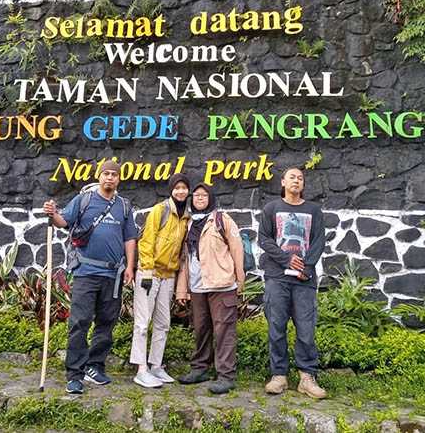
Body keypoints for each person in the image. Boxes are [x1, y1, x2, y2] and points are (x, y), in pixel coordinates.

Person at [43, 160, 137, 395]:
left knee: (106, 323)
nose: (110, 178)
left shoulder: (124, 206)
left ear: (118, 179)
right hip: (85, 273)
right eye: (106, 174)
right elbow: (64, 222)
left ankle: (95, 366)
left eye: (114, 175)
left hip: (113, 274)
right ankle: (75, 374)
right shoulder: (83, 200)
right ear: (99, 176)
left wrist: (130, 267)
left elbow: (130, 239)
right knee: (80, 323)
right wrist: (53, 214)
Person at [258, 167, 327, 399]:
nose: (296, 181)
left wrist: (306, 267)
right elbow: (264, 240)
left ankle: (307, 377)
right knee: (276, 327)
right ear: (283, 182)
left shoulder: (313, 210)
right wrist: (287, 258)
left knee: (306, 330)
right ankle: (279, 376)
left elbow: (318, 241)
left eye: (300, 178)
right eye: (292, 177)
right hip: (277, 278)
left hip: (304, 281)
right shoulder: (271, 209)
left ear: (303, 184)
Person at [176, 183, 245, 394]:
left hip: (221, 284)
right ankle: (200, 369)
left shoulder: (222, 219)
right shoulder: (188, 224)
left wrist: (240, 278)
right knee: (201, 329)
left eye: (204, 195)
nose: (199, 198)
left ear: (211, 197)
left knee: (224, 330)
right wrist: (181, 289)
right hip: (197, 286)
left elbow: (237, 247)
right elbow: (185, 259)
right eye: (195, 195)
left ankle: (226, 375)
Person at [130, 173, 192, 388]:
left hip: (168, 275)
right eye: (177, 188)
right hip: (150, 273)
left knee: (163, 323)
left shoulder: (186, 216)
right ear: (171, 190)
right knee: (142, 323)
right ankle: (141, 370)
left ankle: (156, 365)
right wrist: (146, 270)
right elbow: (146, 241)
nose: (181, 191)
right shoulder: (160, 210)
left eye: (184, 188)